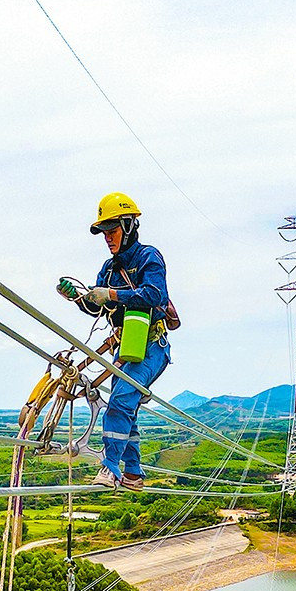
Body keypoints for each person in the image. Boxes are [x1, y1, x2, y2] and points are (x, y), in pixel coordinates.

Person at [56, 191, 172, 491]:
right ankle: (132, 472)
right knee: (126, 403)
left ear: (129, 226)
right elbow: (98, 307)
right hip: (127, 347)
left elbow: (155, 294)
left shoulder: (149, 257)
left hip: (151, 346)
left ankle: (110, 467)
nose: (108, 238)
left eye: (113, 230)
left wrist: (112, 294)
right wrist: (80, 298)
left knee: (120, 401)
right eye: (104, 233)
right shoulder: (108, 270)